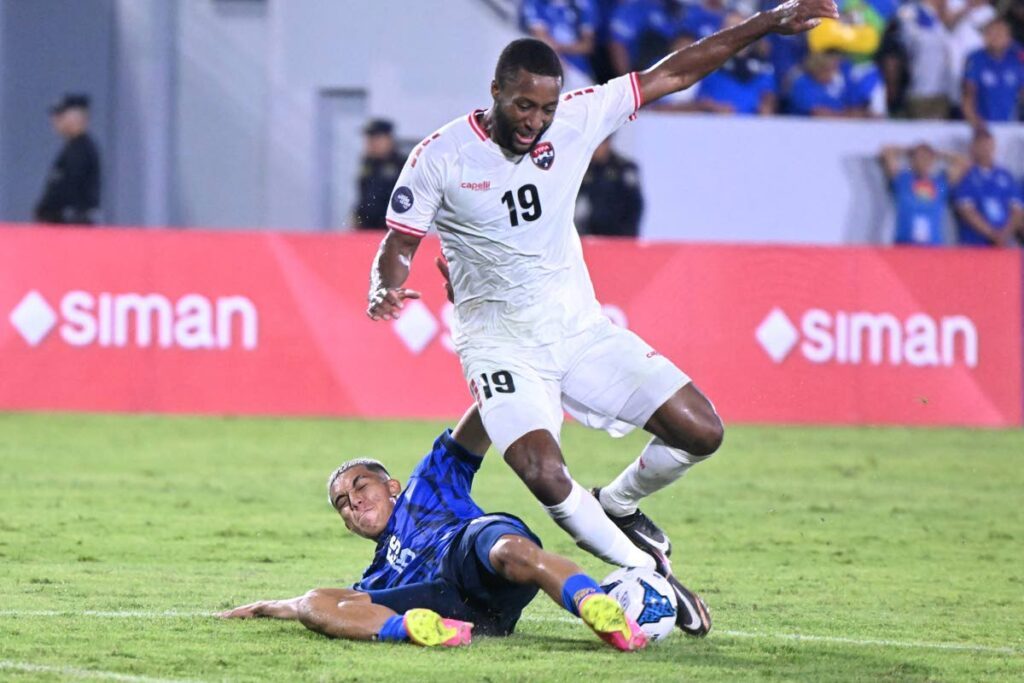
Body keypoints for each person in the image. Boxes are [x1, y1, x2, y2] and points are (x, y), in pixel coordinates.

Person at [365, 0, 838, 640]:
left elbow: (671, 73)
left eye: (545, 108)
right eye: (522, 106)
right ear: (496, 92)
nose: (535, 121)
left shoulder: (579, 116)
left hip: (580, 329)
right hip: (499, 345)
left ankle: (617, 504)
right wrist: (385, 286)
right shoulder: (440, 157)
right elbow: (399, 244)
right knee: (540, 469)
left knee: (701, 432)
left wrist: (764, 23)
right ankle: (648, 572)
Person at [221, 405, 647, 651]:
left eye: (360, 486)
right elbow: (312, 605)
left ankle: (595, 604)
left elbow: (481, 419)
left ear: (392, 487)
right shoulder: (377, 575)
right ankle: (413, 629)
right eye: (342, 504)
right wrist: (264, 606)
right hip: (449, 604)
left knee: (508, 550)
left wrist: (499, 381)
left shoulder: (428, 485)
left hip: (468, 551)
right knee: (318, 602)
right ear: (347, 524)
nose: (352, 502)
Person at [879, 143, 967, 245]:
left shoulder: (941, 184)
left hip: (933, 247)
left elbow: (963, 162)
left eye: (927, 158)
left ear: (933, 161)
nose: (923, 162)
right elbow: (887, 151)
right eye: (918, 158)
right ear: (912, 161)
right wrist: (909, 150)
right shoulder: (902, 181)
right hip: (904, 245)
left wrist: (938, 153)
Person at [34, 94, 100, 225]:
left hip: (71, 227)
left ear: (76, 117)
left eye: (60, 115)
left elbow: (70, 190)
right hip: (62, 225)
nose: (55, 120)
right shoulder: (72, 148)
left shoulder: (81, 151)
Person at [952, 128, 1024, 246]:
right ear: (973, 148)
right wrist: (992, 234)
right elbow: (966, 210)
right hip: (975, 244)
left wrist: (1005, 233)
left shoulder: (1005, 175)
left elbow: (1017, 209)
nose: (986, 149)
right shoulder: (966, 175)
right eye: (981, 145)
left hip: (1004, 243)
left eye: (989, 145)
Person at [962, 17, 1024, 127]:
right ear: (984, 37)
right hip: (982, 126)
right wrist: (975, 123)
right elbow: (968, 95)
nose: (995, 38)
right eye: (991, 34)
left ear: (1008, 38)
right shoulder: (975, 59)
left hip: (1010, 126)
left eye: (1000, 34)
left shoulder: (1016, 60)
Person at [577, 137, 644, 236]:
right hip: (589, 235)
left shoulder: (623, 169)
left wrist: (628, 236)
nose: (597, 149)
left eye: (601, 144)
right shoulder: (583, 169)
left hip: (619, 235)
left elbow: (634, 205)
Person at [354, 119, 404, 230]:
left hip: (390, 229)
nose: (371, 143)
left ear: (388, 139)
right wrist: (356, 219)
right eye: (369, 139)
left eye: (376, 138)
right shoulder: (368, 164)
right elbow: (364, 197)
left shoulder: (402, 165)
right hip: (366, 228)